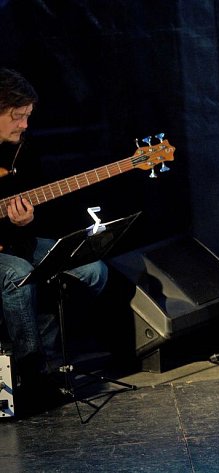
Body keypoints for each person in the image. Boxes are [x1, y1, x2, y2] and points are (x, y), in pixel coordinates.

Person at [0, 68, 108, 408]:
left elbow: (29, 211)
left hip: (12, 243)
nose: (24, 125)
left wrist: (25, 221)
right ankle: (32, 375)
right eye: (18, 117)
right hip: (9, 258)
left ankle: (46, 361)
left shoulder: (21, 151)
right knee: (17, 273)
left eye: (28, 117)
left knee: (91, 269)